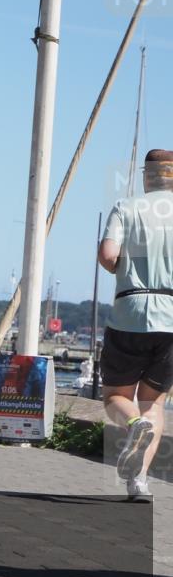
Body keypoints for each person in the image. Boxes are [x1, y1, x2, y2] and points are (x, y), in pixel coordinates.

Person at [97, 148, 173, 502]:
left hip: (130, 310)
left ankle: (132, 424)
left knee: (115, 396)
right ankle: (138, 482)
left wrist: (122, 270)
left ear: (147, 175)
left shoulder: (126, 208)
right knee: (154, 405)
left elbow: (108, 255)